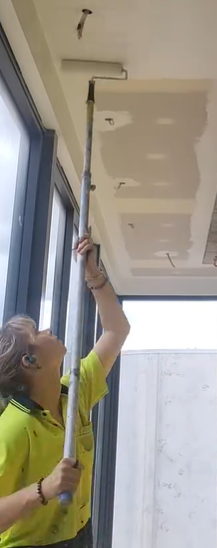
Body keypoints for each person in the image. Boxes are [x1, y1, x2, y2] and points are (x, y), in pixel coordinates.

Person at [0, 235, 130, 548]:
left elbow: (116, 330)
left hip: (80, 534)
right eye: (37, 333)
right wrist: (45, 489)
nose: (47, 330)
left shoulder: (74, 392)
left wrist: (93, 276)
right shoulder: (13, 430)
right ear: (30, 362)